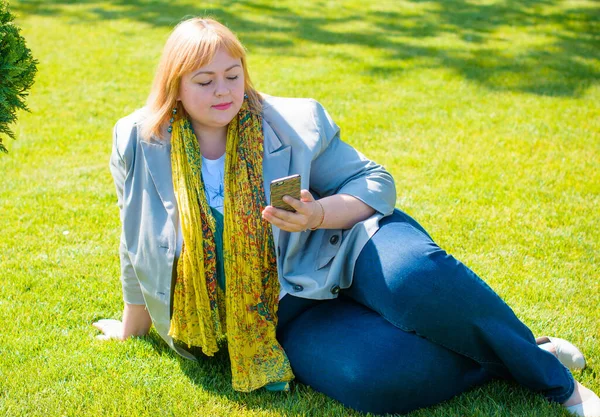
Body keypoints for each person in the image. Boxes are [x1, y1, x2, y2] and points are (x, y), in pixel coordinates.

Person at [94, 17, 600, 416]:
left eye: (233, 75)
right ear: (174, 87)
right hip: (288, 307)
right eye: (204, 81)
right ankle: (521, 352)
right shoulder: (138, 142)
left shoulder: (291, 121)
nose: (224, 91)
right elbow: (134, 238)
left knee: (417, 277)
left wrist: (316, 215)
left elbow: (375, 183)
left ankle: (561, 387)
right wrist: (133, 325)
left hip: (350, 244)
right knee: (375, 380)